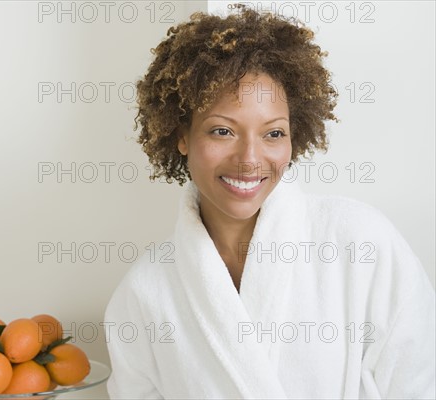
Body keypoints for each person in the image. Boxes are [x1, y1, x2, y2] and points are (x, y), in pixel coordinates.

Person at [104, 5, 435, 399]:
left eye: (273, 134)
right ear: (181, 135)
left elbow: (417, 384)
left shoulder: (362, 244)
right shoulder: (143, 293)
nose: (249, 159)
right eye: (222, 130)